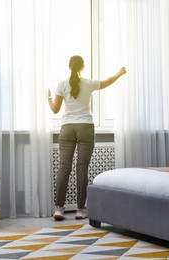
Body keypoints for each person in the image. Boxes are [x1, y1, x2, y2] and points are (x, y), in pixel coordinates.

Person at [48, 55, 126, 220]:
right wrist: (119, 73)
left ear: (69, 66)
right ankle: (80, 210)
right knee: (82, 168)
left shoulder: (62, 84)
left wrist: (48, 99)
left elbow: (55, 110)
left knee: (64, 168)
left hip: (67, 128)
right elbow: (107, 81)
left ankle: (59, 209)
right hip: (85, 128)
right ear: (82, 67)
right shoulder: (89, 83)